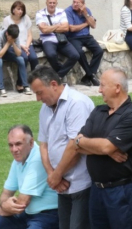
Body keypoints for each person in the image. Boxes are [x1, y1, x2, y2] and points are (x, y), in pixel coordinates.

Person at [74, 68, 132, 229]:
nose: (99, 90)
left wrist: (89, 144)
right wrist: (103, 149)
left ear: (117, 88)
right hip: (96, 189)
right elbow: (76, 145)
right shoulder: (98, 111)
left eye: (102, 85)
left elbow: (104, 146)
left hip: (121, 190)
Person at [30, 65, 94, 229]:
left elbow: (76, 146)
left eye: (39, 92)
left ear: (53, 84)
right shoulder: (45, 109)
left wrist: (56, 175)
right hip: (61, 186)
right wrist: (53, 175)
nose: (37, 99)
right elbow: (43, 145)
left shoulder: (77, 103)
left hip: (81, 184)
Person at [0, 125, 59, 229]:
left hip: (48, 216)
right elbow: (6, 193)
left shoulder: (38, 158)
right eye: (11, 145)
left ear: (31, 142)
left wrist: (1, 209)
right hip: (28, 214)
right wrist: (4, 205)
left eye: (18, 144)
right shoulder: (18, 161)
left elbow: (23, 202)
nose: (14, 149)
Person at [36, 0, 79, 79]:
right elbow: (44, 30)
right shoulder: (40, 13)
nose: (52, 5)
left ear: (56, 3)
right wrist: (58, 26)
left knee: (75, 55)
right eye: (50, 3)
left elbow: (66, 28)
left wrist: (49, 27)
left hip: (61, 38)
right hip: (47, 39)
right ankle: (60, 73)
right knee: (51, 55)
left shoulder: (61, 11)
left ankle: (59, 75)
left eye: (54, 3)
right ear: (46, 3)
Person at [65, 0, 103, 86]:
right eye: (73, 2)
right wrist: (86, 24)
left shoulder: (87, 10)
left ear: (83, 4)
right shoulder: (68, 11)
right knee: (79, 52)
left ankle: (87, 77)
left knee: (99, 51)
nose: (75, 4)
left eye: (77, 3)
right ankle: (91, 75)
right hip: (73, 37)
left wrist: (86, 14)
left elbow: (93, 25)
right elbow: (72, 29)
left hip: (86, 36)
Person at [0, 24, 32, 96]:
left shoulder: (14, 37)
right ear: (7, 33)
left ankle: (25, 85)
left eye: (14, 38)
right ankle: (1, 88)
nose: (12, 39)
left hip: (4, 51)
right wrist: (8, 43)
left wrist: (13, 43)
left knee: (21, 59)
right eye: (11, 38)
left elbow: (19, 54)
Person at [2, 0, 39, 72]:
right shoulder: (7, 20)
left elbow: (30, 35)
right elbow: (8, 37)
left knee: (34, 58)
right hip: (14, 45)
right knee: (24, 58)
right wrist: (22, 46)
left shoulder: (26, 18)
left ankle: (35, 80)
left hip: (27, 44)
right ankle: (20, 82)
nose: (21, 11)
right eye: (18, 9)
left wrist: (27, 47)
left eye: (22, 9)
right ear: (13, 10)